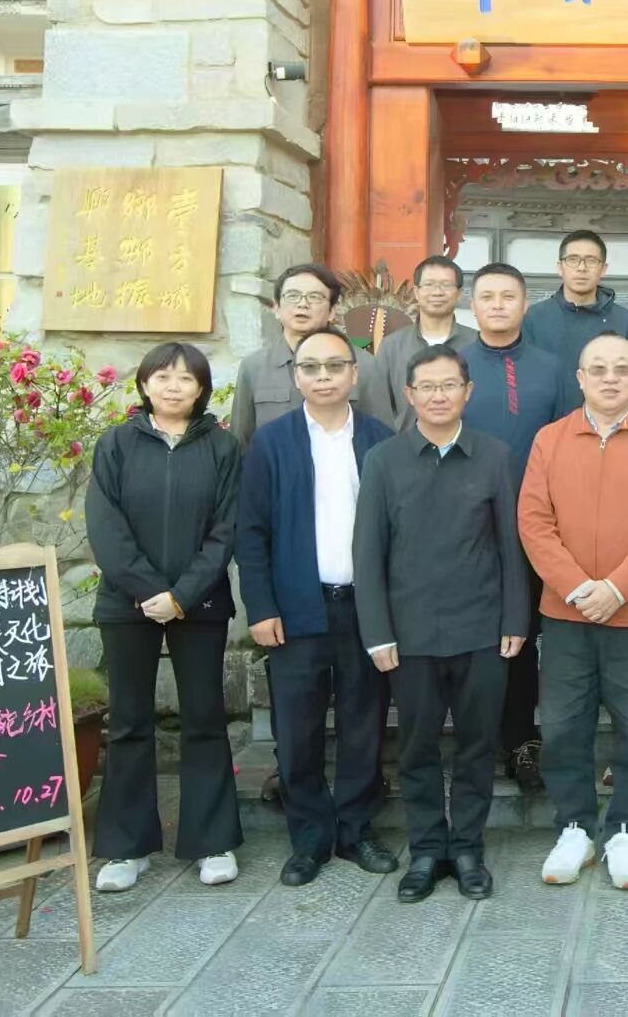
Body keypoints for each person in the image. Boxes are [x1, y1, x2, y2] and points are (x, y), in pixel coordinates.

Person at [353, 344, 529, 903]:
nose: (437, 396)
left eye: (448, 385)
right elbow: (367, 553)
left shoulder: (495, 456)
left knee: (478, 745)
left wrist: (515, 618)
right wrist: (377, 632)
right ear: (409, 394)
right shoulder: (383, 461)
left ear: (467, 392)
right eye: (426, 387)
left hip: (482, 630)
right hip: (410, 636)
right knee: (417, 748)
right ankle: (428, 849)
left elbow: (512, 547)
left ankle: (469, 847)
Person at [520, 333, 628, 889]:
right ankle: (574, 827)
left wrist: (617, 588)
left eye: (622, 369)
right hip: (566, 616)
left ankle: (624, 832)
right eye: (598, 369)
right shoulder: (549, 440)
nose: (610, 378)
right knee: (562, 727)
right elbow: (534, 523)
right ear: (580, 378)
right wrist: (577, 587)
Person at [236, 327, 399, 886]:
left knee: (364, 723)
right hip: (296, 609)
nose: (323, 377)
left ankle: (355, 830)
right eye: (311, 367)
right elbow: (251, 532)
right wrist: (260, 607)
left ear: (355, 374)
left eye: (334, 366)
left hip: (364, 609)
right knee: (297, 729)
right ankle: (308, 837)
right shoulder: (272, 442)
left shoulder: (380, 439)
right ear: (296, 376)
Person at [84, 343, 244, 891]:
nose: (174, 386)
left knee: (204, 718)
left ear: (202, 389)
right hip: (127, 604)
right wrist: (150, 590)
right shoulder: (116, 444)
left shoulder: (222, 447)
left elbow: (226, 529)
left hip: (199, 605)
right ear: (144, 384)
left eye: (186, 378)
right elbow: (105, 525)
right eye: (163, 376)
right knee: (130, 721)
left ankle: (211, 841)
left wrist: (181, 595)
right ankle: (125, 848)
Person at [458, 263, 577, 795]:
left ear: (525, 305)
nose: (498, 305)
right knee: (476, 635)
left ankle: (522, 740)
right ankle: (476, 742)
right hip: (468, 521)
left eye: (509, 296)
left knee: (522, 635)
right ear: (473, 306)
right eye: (488, 297)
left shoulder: (553, 368)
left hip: (538, 521)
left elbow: (570, 442)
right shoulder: (455, 366)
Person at [356, 255, 477, 430]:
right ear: (417, 292)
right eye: (429, 284)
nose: (437, 292)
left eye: (446, 285)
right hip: (405, 444)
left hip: (466, 442)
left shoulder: (476, 342)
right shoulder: (392, 346)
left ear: (459, 294)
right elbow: (379, 407)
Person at [232, 263, 340, 449]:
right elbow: (241, 441)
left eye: (314, 297)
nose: (302, 304)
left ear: (332, 311)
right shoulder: (254, 367)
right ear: (276, 308)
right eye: (292, 296)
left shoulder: (363, 365)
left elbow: (380, 443)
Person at [522, 230, 628, 384]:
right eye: (573, 259)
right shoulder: (533, 317)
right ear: (559, 267)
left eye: (591, 261)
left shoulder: (625, 321)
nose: (581, 268)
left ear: (603, 269)